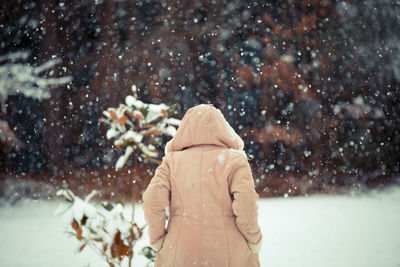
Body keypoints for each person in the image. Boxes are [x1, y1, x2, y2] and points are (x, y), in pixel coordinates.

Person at [142, 104, 263, 267]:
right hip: (227, 251)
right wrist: (254, 239)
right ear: (223, 128)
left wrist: (157, 239)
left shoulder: (171, 162)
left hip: (181, 251)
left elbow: (152, 200)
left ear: (185, 129)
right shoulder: (235, 160)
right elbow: (246, 204)